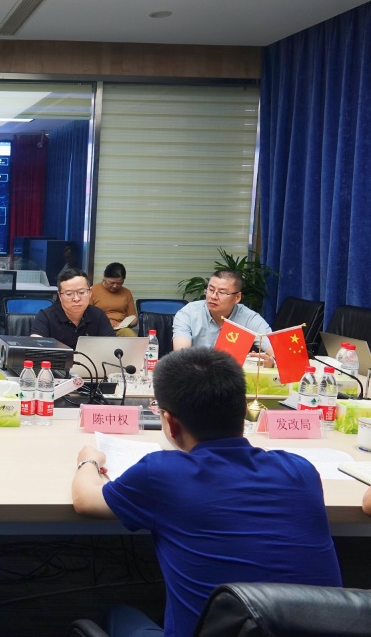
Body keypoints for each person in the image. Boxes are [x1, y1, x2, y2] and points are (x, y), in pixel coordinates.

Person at [71, 347, 341, 637]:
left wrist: (89, 460)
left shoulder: (161, 473)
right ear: (243, 409)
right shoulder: (301, 471)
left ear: (170, 422)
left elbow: (85, 500)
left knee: (119, 614)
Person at [172, 269, 274, 367]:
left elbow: (276, 352)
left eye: (222, 292)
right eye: (211, 290)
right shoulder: (188, 313)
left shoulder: (249, 318)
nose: (213, 296)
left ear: (237, 297)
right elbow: (181, 355)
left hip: (232, 376)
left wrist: (271, 361)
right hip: (196, 372)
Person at [30, 267, 115, 349]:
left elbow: (112, 348)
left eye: (81, 292)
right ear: (60, 296)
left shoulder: (98, 315)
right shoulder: (46, 317)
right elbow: (35, 348)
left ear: (90, 292)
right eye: (69, 294)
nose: (76, 299)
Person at [89, 262, 137, 337]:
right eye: (112, 283)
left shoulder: (126, 293)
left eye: (119, 283)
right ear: (104, 276)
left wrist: (124, 324)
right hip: (100, 328)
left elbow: (133, 318)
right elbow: (86, 315)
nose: (115, 286)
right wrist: (105, 322)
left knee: (129, 334)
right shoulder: (92, 291)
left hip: (120, 328)